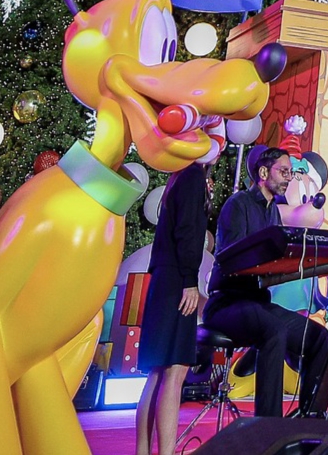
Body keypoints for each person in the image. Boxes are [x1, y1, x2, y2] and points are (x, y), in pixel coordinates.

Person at [203, 147, 328, 418]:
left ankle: (310, 419)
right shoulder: (238, 204)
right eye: (284, 171)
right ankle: (268, 426)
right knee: (274, 330)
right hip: (228, 303)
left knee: (320, 338)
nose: (288, 178)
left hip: (258, 304)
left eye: (290, 173)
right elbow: (233, 260)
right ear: (263, 172)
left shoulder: (273, 211)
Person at [134, 164, 209, 455]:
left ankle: (143, 451)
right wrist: (190, 280)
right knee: (175, 371)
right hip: (177, 279)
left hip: (165, 278)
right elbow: (187, 229)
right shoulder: (192, 174)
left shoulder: (179, 176)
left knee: (158, 371)